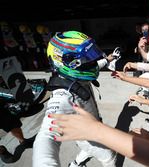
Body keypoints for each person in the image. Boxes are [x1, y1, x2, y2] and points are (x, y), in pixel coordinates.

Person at [32, 31, 116, 167]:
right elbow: (46, 135)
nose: (92, 62)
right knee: (109, 156)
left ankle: (76, 164)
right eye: (87, 59)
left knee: (88, 148)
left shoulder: (76, 75)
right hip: (87, 134)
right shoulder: (62, 95)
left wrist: (107, 60)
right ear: (66, 62)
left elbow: (91, 65)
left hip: (91, 126)